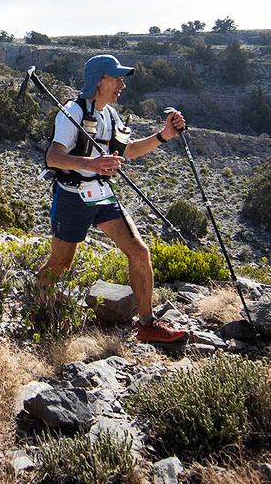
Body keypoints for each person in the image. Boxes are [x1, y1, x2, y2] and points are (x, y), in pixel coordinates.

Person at [37, 54, 189, 344]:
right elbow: (53, 157)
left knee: (139, 251)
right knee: (60, 264)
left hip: (103, 195)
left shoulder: (110, 115)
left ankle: (147, 324)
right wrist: (92, 165)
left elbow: (127, 151)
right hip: (72, 197)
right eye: (116, 78)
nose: (122, 85)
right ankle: (40, 315)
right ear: (98, 80)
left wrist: (164, 135)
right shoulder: (72, 112)